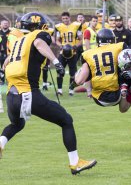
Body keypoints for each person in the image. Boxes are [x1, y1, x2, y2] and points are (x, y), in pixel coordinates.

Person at [0, 12, 97, 175]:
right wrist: (57, 61)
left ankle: (1, 142)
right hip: (28, 93)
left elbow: (6, 63)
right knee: (66, 120)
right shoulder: (36, 36)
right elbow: (38, 43)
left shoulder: (17, 42)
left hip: (11, 95)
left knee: (17, 124)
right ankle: (75, 163)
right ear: (36, 26)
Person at [73, 28, 128, 106]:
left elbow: (79, 81)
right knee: (125, 64)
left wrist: (76, 79)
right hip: (117, 95)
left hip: (99, 98)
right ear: (112, 39)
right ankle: (124, 86)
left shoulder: (87, 54)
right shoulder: (119, 46)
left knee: (88, 69)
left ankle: (88, 91)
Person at [55, 11, 82, 96]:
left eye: (66, 18)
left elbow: (81, 39)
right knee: (60, 71)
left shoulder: (76, 26)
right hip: (63, 53)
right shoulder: (59, 27)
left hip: (73, 53)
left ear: (69, 18)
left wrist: (75, 46)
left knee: (72, 73)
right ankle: (59, 90)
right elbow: (57, 40)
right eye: (63, 18)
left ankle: (71, 90)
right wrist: (61, 46)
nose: (65, 20)